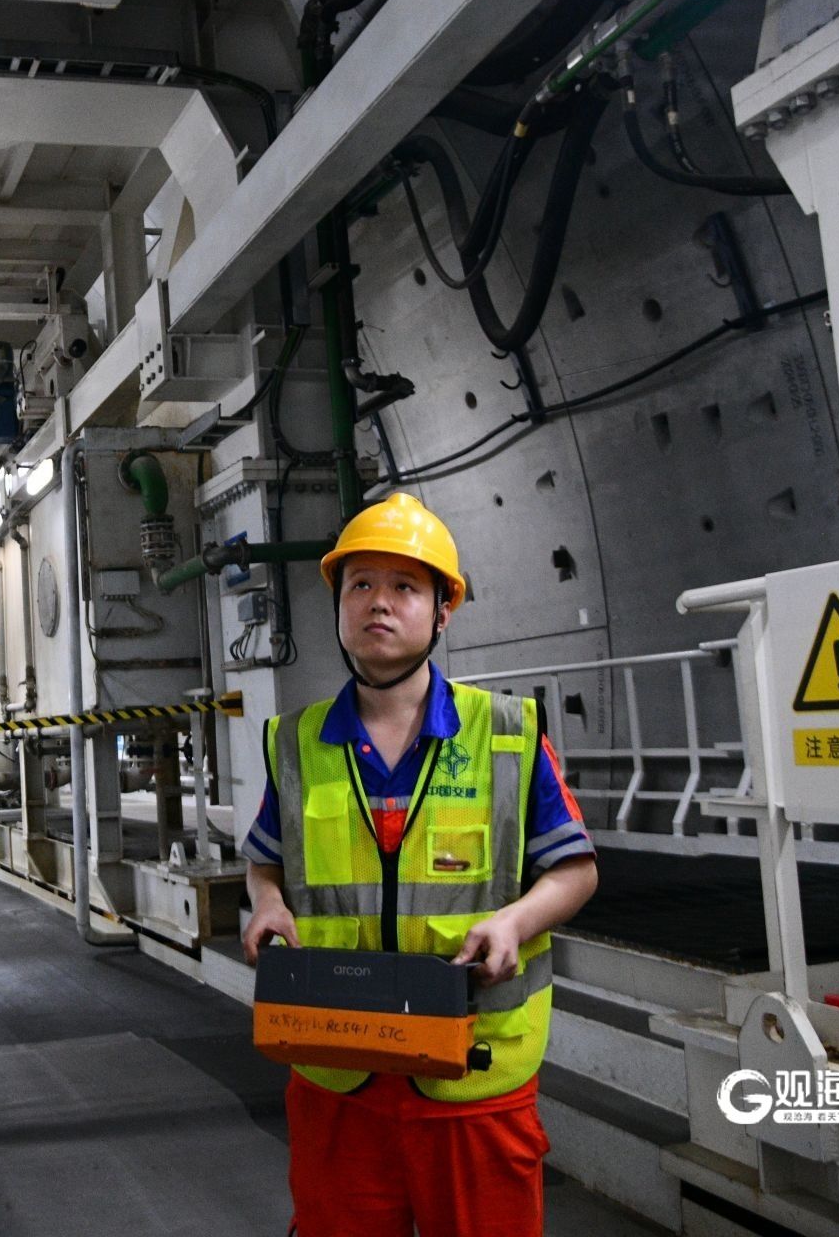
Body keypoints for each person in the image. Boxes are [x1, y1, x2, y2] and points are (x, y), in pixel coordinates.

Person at [240, 492, 598, 1237]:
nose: (379, 602)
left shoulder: (506, 733)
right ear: (338, 605)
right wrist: (267, 903)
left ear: (443, 611)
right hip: (338, 1069)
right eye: (360, 584)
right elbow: (267, 861)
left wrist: (514, 922)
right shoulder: (297, 742)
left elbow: (575, 871)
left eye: (405, 586)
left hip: (470, 1071)